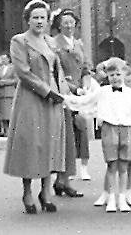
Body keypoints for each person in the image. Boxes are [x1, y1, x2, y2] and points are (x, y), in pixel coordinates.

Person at [66, 57, 131, 213]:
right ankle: (110, 198)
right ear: (107, 77)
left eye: (117, 74)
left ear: (123, 74)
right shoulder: (102, 92)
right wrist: (67, 100)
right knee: (111, 165)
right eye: (111, 75)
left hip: (127, 130)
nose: (115, 78)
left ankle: (122, 197)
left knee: (124, 166)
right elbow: (85, 101)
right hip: (109, 129)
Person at [2, 0, 67, 215]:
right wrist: (46, 92)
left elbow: (58, 71)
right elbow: (23, 72)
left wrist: (64, 93)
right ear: (28, 20)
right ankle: (28, 191)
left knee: (50, 143)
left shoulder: (51, 42)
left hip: (53, 99)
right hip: (32, 99)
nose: (40, 21)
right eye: (35, 17)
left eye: (43, 17)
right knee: (31, 144)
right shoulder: (19, 41)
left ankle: (46, 191)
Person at [49, 10, 86, 198]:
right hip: (64, 94)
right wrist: (73, 89)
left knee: (74, 139)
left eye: (72, 22)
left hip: (79, 97)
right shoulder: (54, 43)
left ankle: (65, 180)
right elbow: (57, 72)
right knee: (64, 138)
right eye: (65, 23)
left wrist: (87, 85)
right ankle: (60, 180)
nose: (69, 26)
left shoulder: (79, 43)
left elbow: (85, 68)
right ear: (59, 25)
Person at [0, 54, 17, 134]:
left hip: (10, 93)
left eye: (5, 58)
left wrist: (5, 82)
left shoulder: (13, 68)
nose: (4, 60)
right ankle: (5, 130)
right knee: (3, 114)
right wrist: (0, 83)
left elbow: (16, 80)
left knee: (9, 114)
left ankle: (11, 132)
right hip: (1, 94)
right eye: (2, 59)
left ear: (8, 59)